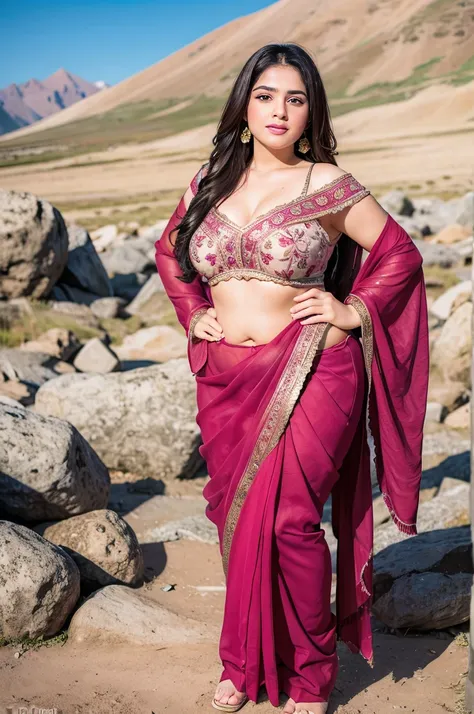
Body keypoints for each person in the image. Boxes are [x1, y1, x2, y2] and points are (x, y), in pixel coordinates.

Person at [155, 42, 429, 714]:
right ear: (245, 107)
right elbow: (170, 252)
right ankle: (242, 662)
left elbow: (400, 253)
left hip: (313, 369)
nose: (281, 110)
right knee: (234, 515)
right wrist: (194, 314)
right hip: (226, 379)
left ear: (312, 113)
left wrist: (351, 309)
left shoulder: (328, 185)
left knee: (290, 523)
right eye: (267, 95)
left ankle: (311, 674)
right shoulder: (209, 181)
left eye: (296, 98)